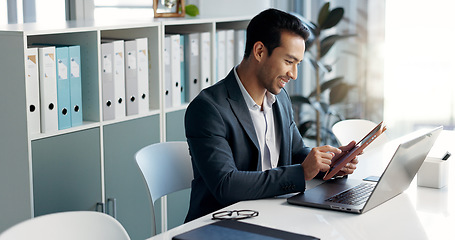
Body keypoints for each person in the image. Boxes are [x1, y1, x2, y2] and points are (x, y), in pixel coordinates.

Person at [184, 8, 359, 222]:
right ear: (259, 51)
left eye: (298, 64)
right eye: (288, 61)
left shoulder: (280, 98)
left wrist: (329, 164)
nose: (293, 74)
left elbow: (295, 152)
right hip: (222, 224)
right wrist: (301, 174)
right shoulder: (208, 108)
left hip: (273, 215)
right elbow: (225, 184)